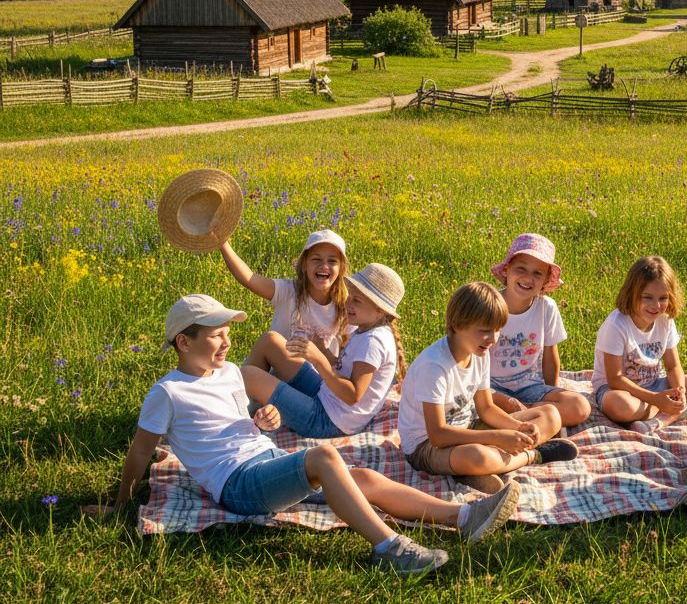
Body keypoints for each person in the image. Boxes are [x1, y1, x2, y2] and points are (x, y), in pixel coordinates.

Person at [82, 295, 521, 577]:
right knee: (325, 459)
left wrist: (264, 420)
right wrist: (121, 503)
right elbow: (140, 451)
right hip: (238, 485)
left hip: (265, 459)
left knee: (360, 478)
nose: (227, 343)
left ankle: (464, 518)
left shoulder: (231, 373)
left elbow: (240, 423)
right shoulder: (167, 392)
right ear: (183, 342)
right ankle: (388, 548)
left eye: (228, 334)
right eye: (216, 336)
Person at [397, 282, 579, 494]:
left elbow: (486, 408)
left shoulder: (479, 352)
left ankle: (476, 472)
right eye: (485, 331)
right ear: (457, 325)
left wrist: (515, 428)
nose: (493, 339)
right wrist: (497, 437)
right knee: (478, 456)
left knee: (550, 415)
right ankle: (535, 455)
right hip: (427, 447)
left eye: (497, 331)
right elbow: (438, 434)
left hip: (469, 426)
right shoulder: (434, 366)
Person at [242, 264, 407, 438]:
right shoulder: (367, 329)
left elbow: (352, 395)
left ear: (380, 310)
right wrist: (326, 353)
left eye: (357, 301)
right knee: (271, 341)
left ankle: (232, 414)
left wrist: (318, 359)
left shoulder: (373, 342)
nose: (347, 302)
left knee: (248, 375)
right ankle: (245, 407)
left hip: (328, 420)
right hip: (327, 394)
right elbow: (345, 371)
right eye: (350, 296)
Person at [592, 256, 687, 432]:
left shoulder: (665, 321)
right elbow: (615, 378)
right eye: (647, 297)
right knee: (620, 405)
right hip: (619, 390)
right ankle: (668, 411)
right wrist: (655, 399)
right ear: (631, 293)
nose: (656, 305)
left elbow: (673, 366)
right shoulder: (616, 325)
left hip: (657, 383)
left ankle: (664, 417)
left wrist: (680, 391)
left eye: (663, 298)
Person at [488, 234, 590, 427]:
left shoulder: (546, 308)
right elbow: (470, 359)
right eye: (521, 269)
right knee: (477, 405)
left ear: (545, 281)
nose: (528, 278)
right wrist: (497, 398)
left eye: (537, 273)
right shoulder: (489, 304)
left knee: (580, 406)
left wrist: (552, 392)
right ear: (507, 269)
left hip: (530, 386)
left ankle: (520, 417)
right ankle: (531, 419)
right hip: (491, 389)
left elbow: (551, 356)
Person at [219, 229, 348, 368]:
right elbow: (250, 279)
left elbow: (347, 358)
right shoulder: (289, 291)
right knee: (267, 344)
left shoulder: (346, 304)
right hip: (278, 375)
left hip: (318, 381)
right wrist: (222, 243)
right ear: (304, 264)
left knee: (269, 341)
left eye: (332, 261)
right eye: (316, 259)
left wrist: (322, 352)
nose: (324, 266)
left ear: (341, 268)